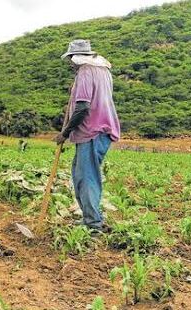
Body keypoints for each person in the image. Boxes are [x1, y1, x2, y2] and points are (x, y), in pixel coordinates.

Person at [54, 40, 121, 233]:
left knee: (87, 177)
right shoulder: (104, 71)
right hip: (100, 131)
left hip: (91, 131)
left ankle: (93, 225)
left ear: (75, 59)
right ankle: (89, 218)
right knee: (80, 175)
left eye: (70, 61)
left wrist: (65, 133)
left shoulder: (85, 72)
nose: (70, 65)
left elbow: (83, 107)